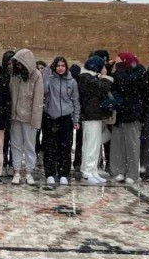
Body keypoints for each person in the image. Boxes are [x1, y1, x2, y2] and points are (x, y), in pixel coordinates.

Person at [41, 56, 81, 188]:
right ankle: (50, 173)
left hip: (66, 118)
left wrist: (76, 119)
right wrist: (46, 71)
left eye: (63, 65)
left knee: (65, 147)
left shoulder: (72, 82)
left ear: (66, 67)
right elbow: (44, 90)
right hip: (51, 117)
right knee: (50, 147)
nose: (60, 68)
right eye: (58, 65)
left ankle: (64, 173)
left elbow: (75, 101)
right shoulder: (50, 80)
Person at [107, 52, 147, 184]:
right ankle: (119, 171)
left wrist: (119, 69)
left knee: (132, 145)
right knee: (118, 144)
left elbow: (127, 86)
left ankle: (132, 173)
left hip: (132, 114)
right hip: (120, 114)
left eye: (119, 62)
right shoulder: (119, 73)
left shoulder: (138, 73)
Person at [8, 49, 44, 186]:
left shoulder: (37, 76)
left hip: (29, 118)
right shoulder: (15, 75)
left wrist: (35, 120)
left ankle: (29, 172)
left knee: (30, 145)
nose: (18, 66)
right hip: (15, 117)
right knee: (16, 145)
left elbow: (38, 99)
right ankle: (16, 171)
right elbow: (11, 95)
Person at [76, 55, 114, 184]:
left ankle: (92, 171)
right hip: (90, 116)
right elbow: (102, 88)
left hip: (95, 115)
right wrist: (105, 77)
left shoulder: (89, 78)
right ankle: (87, 172)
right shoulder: (86, 78)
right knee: (91, 145)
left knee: (93, 145)